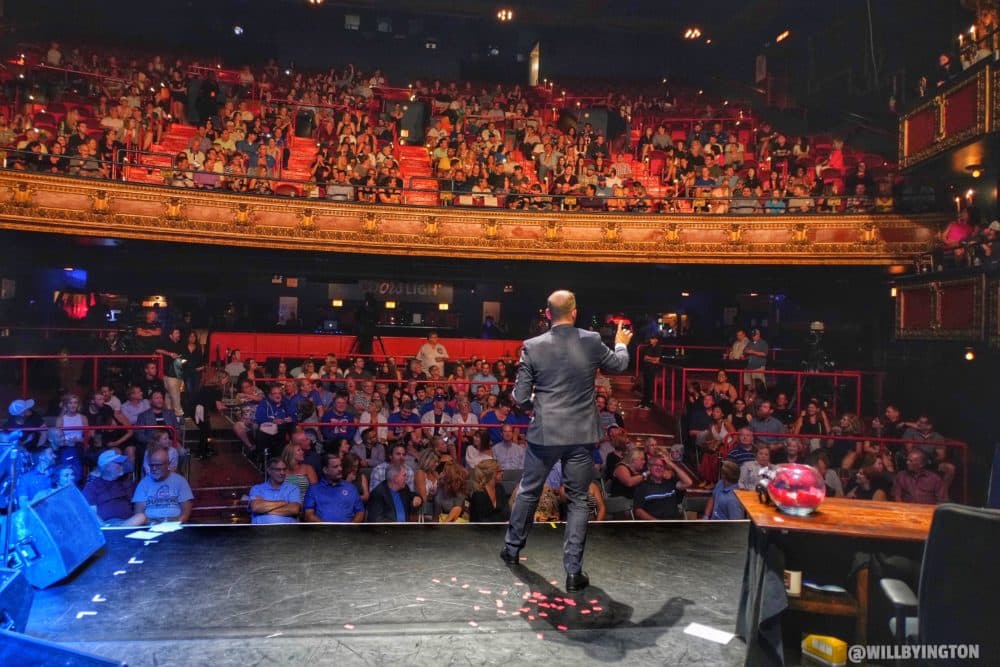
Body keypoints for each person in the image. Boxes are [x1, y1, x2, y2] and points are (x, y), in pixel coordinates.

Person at [502, 290, 631, 592]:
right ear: (575, 312)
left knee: (529, 492)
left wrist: (538, 404)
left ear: (547, 315)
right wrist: (622, 345)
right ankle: (573, 572)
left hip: (545, 433)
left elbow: (519, 398)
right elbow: (619, 365)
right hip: (580, 435)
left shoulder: (532, 347)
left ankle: (512, 549)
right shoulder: (591, 340)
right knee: (577, 501)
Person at [130, 445, 194, 524]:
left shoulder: (180, 481)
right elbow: (138, 513)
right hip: (150, 524)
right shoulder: (143, 484)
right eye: (152, 465)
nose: (154, 468)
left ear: (167, 464)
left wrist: (175, 524)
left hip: (175, 524)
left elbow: (186, 512)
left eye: (158, 465)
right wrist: (152, 524)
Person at [82, 449, 140, 525]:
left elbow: (130, 467)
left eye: (121, 463)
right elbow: (91, 514)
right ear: (106, 466)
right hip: (107, 525)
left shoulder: (126, 483)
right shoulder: (92, 486)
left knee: (141, 517)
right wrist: (104, 526)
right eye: (118, 463)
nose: (121, 465)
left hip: (127, 523)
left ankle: (120, 530)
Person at [303, 453, 365, 523]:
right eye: (335, 467)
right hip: (321, 532)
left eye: (340, 466)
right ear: (325, 470)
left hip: (347, 532)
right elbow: (308, 515)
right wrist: (326, 528)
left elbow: (360, 512)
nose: (340, 469)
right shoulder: (313, 490)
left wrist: (350, 528)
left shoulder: (351, 488)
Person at [633, 451, 693, 520]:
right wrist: (657, 522)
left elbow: (688, 482)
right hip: (654, 525)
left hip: (675, 523)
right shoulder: (642, 485)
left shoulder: (670, 482)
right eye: (656, 465)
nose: (659, 468)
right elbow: (638, 511)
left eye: (661, 466)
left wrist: (671, 464)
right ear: (649, 467)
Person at [248, 457, 302, 524]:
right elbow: (256, 507)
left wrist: (264, 509)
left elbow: (294, 509)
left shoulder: (293, 489)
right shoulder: (257, 489)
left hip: (287, 532)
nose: (282, 473)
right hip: (261, 532)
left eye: (284, 469)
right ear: (269, 471)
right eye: (278, 470)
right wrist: (283, 503)